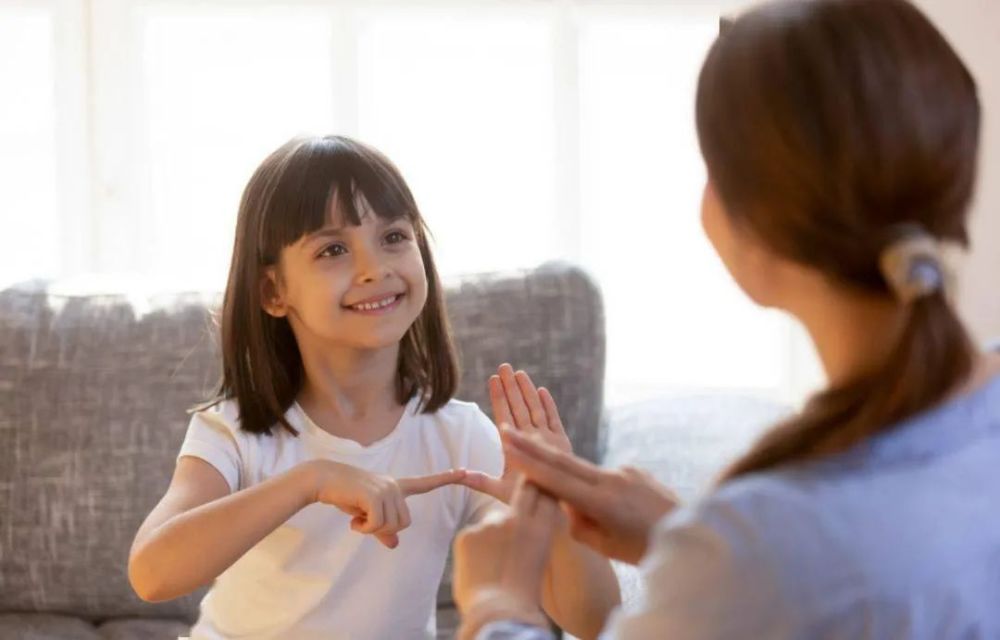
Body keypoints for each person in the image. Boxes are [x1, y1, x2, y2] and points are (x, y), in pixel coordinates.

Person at [453, 0, 1000, 638]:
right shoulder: (763, 549)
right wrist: (679, 538)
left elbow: (801, 573)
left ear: (755, 225)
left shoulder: (763, 547)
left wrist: (495, 605)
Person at [127, 135, 619, 639]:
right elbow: (152, 573)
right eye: (334, 249)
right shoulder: (232, 431)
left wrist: (554, 502)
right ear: (273, 291)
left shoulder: (460, 435)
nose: (374, 269)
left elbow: (595, 622)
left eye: (394, 237)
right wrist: (310, 481)